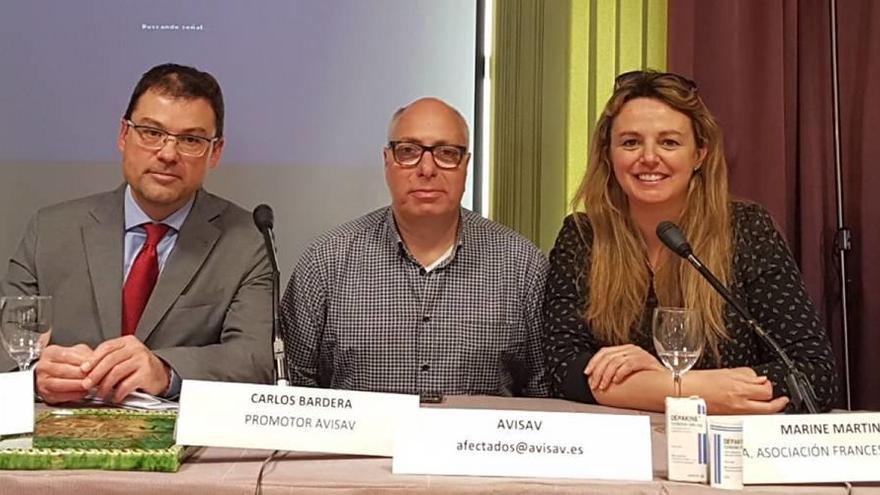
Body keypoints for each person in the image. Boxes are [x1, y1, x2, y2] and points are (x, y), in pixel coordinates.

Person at [543, 70, 838, 414]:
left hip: (730, 451)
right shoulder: (582, 236)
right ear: (608, 155)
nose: (649, 157)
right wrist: (696, 390)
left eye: (669, 142)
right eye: (630, 142)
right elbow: (564, 370)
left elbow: (812, 373)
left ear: (699, 154)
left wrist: (662, 383)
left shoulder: (746, 229)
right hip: (621, 453)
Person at [0, 63, 273, 404]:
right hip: (60, 437)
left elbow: (255, 360)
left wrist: (166, 370)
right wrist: (34, 373)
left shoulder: (247, 241)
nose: (168, 154)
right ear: (123, 135)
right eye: (151, 132)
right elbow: (7, 343)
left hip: (182, 443)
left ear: (214, 152)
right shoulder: (51, 230)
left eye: (191, 140)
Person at [281, 97, 548, 397]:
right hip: (357, 446)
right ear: (386, 161)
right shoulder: (326, 263)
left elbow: (543, 392)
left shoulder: (522, 266)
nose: (427, 168)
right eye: (408, 151)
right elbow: (293, 387)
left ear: (466, 166)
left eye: (446, 153)